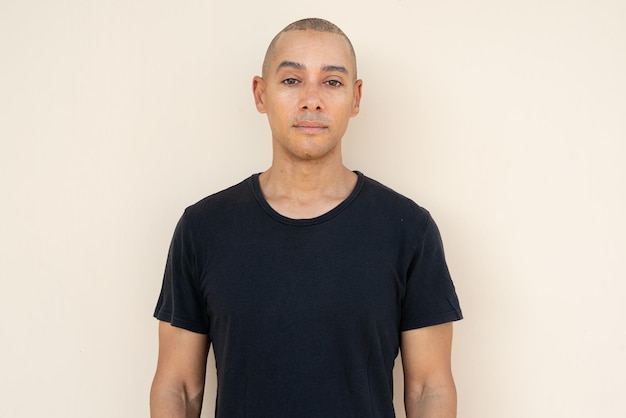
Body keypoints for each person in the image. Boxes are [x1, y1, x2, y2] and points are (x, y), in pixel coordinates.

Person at [150, 17, 462, 418]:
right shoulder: (202, 228)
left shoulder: (409, 229)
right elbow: (178, 388)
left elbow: (428, 390)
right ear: (260, 94)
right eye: (292, 80)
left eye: (332, 82)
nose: (312, 100)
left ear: (356, 97)